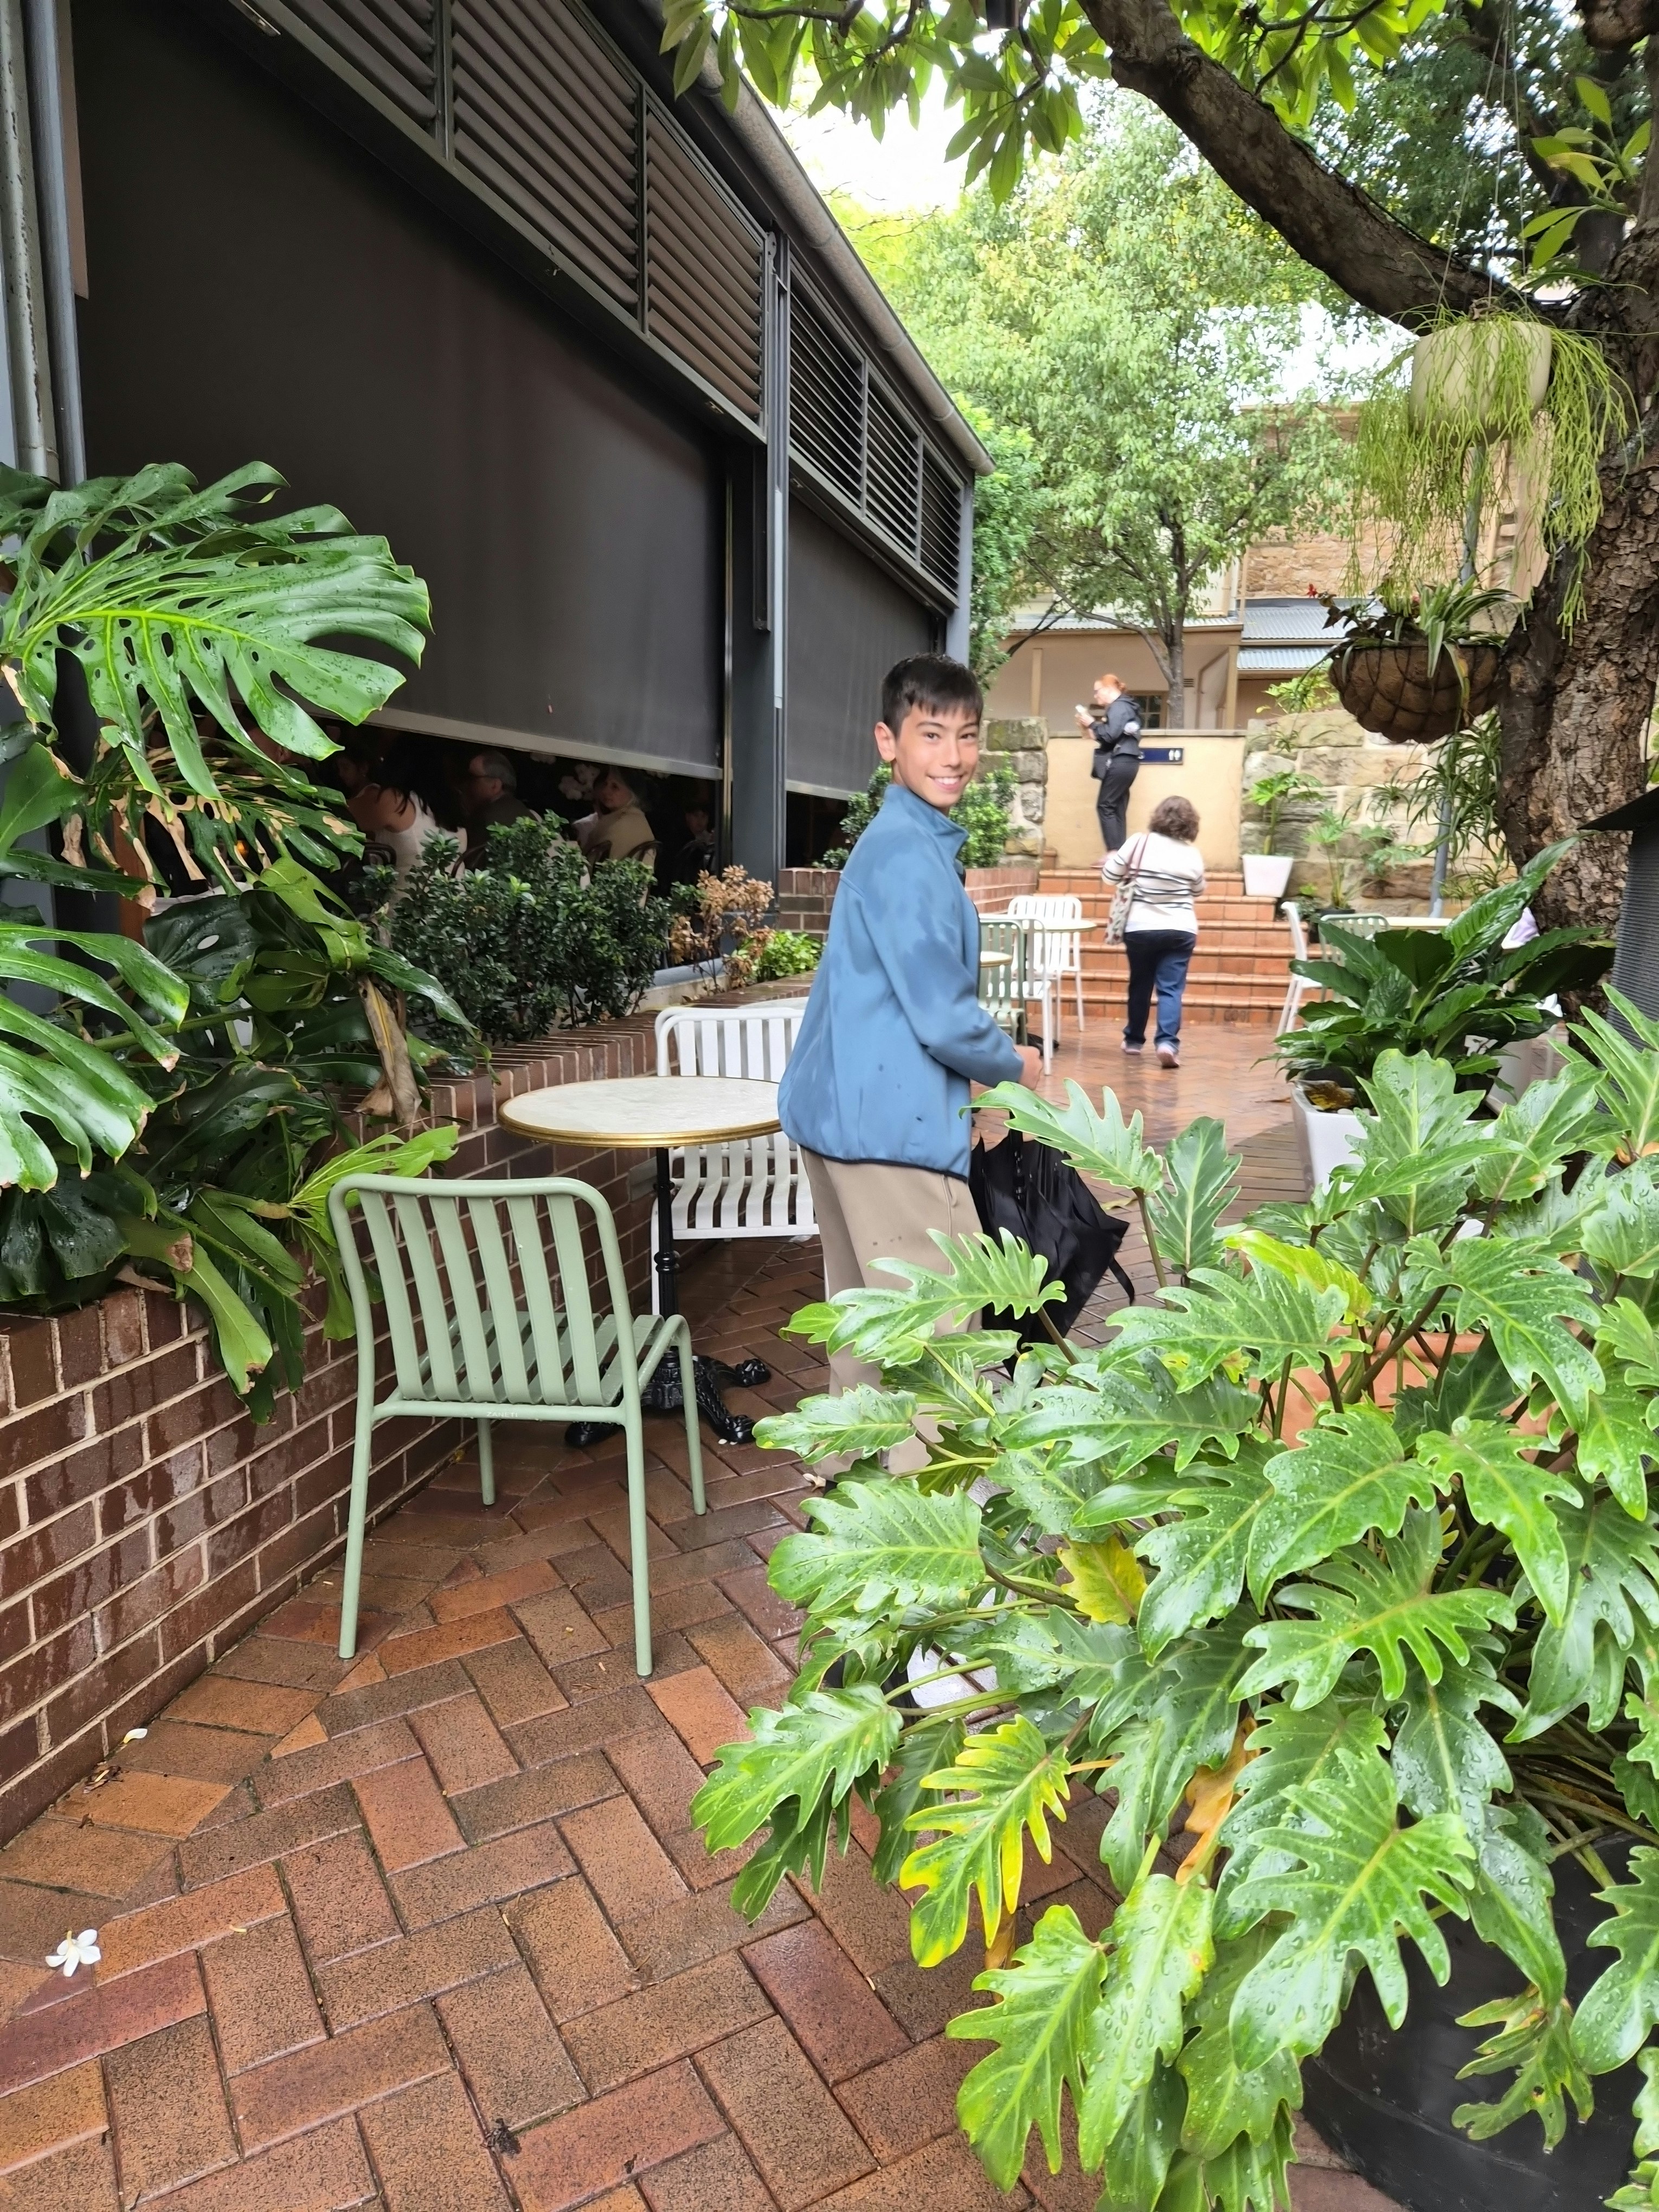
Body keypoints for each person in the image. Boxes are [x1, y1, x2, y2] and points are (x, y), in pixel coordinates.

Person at [779, 653, 1044, 1426]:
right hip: (892, 1134)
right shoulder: (909, 857)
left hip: (843, 1125)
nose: (954, 756)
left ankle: (858, 1510)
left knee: (867, 1333)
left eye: (967, 736)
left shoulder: (897, 841)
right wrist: (1014, 1064)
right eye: (932, 735)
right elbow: (943, 1017)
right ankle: (928, 1528)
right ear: (887, 742)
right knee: (939, 1348)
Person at [1102, 794, 1205, 1069]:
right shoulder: (1192, 854)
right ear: (1190, 823)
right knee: (1171, 989)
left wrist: (1115, 859)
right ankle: (1167, 1043)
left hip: (1140, 928)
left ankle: (1134, 1041)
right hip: (1180, 929)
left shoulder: (1139, 841)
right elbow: (1198, 889)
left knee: (1141, 983)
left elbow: (1109, 876)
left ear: (1158, 816)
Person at [1076, 673, 1143, 853]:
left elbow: (1110, 735)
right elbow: (1111, 738)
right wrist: (1093, 731)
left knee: (1105, 805)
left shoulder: (1119, 707)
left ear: (1108, 689)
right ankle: (1120, 854)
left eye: (1097, 692)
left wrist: (1092, 724)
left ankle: (1114, 852)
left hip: (1121, 761)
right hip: (1129, 761)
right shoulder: (1126, 706)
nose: (1095, 696)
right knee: (1117, 807)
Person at [456, 748, 535, 864]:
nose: (465, 785)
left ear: (495, 786)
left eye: (472, 778)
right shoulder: (524, 813)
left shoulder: (483, 818)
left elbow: (470, 868)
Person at [573, 767, 657, 866]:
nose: (605, 791)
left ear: (632, 794)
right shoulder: (638, 819)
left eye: (615, 787)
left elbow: (587, 864)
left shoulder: (620, 824)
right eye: (606, 784)